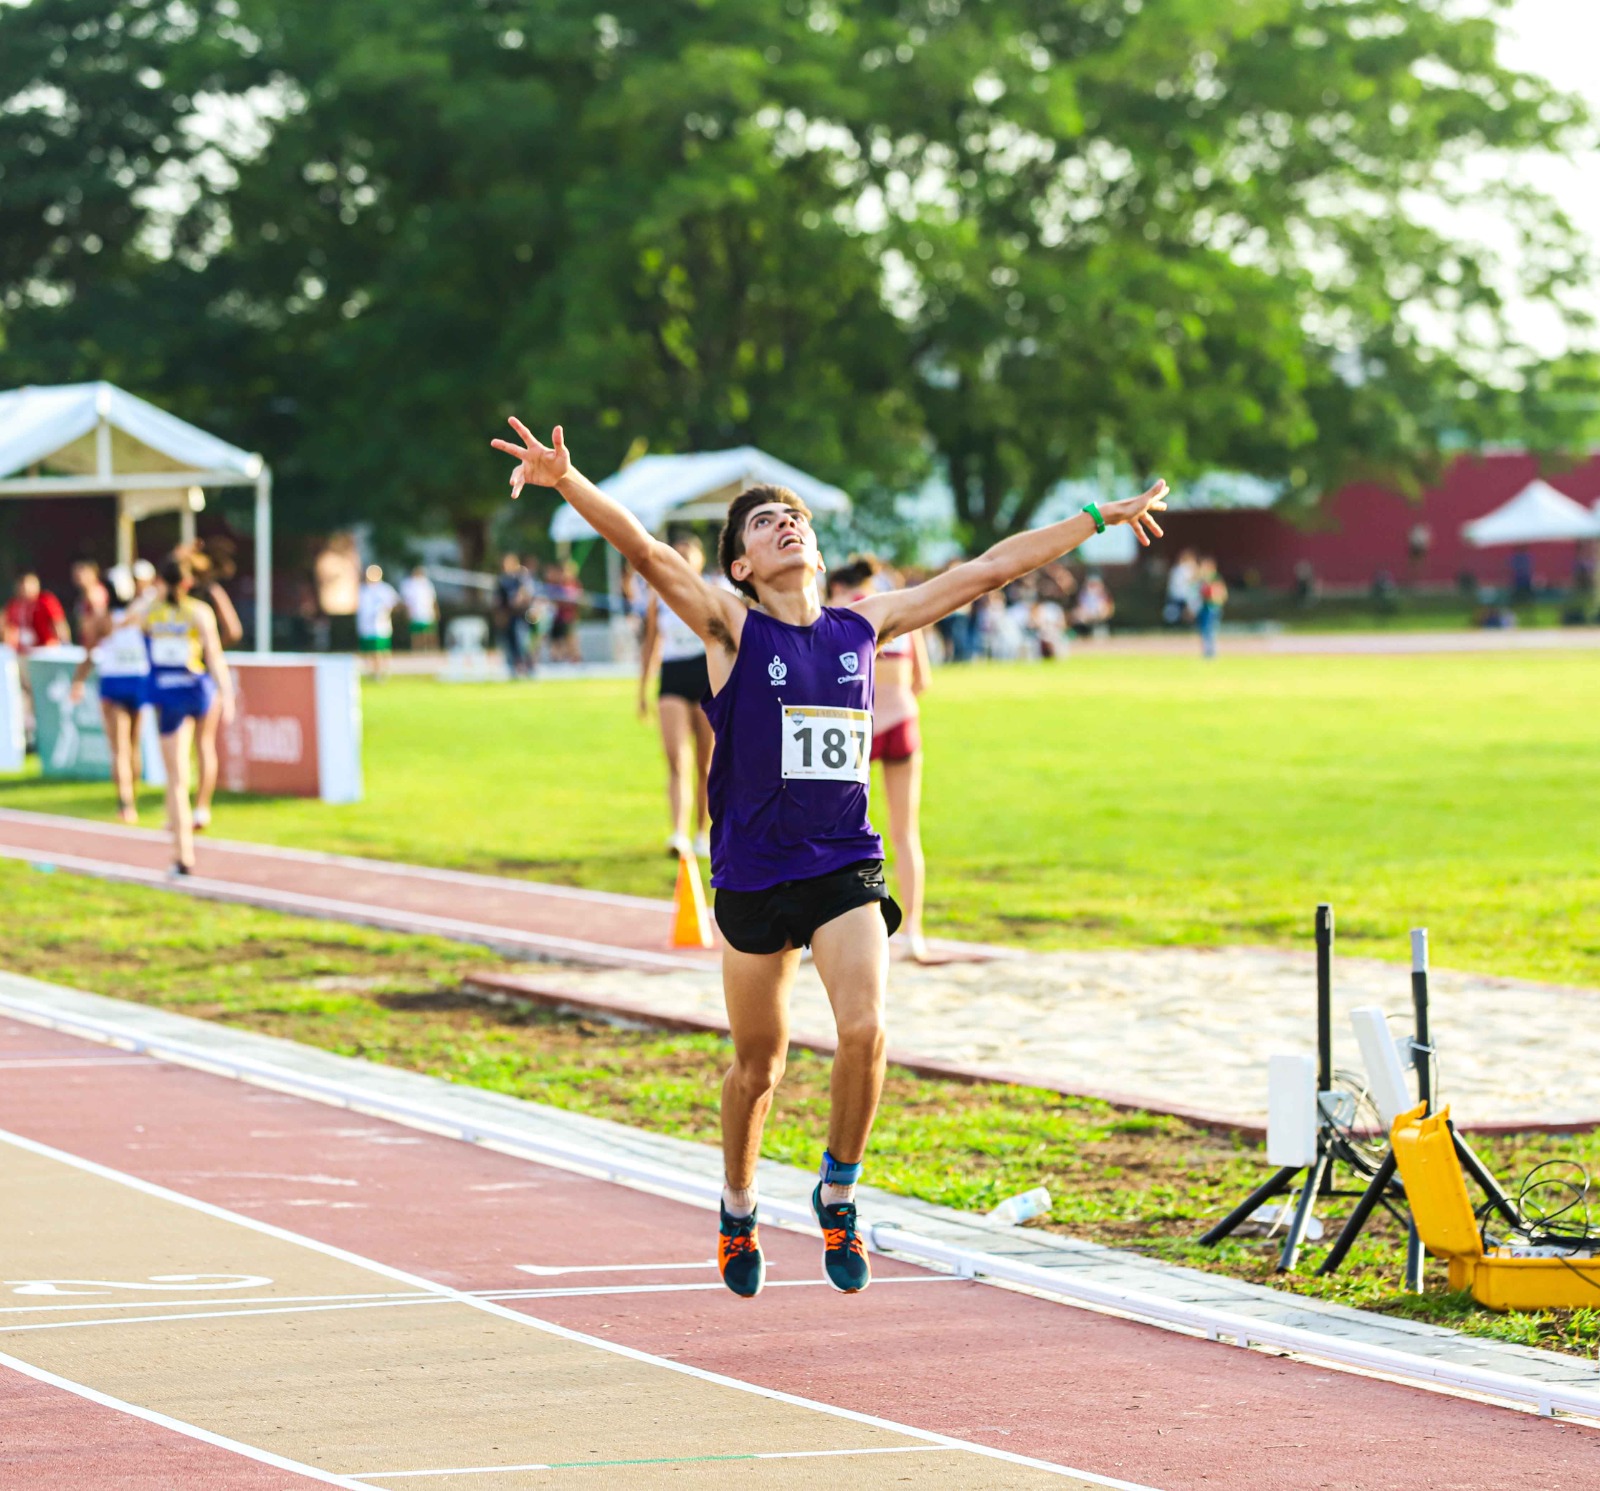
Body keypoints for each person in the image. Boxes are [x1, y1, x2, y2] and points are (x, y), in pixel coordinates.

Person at [491, 416, 1166, 1300]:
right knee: (759, 1066)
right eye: (764, 522)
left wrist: (1097, 516)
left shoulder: (863, 626)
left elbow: (987, 569)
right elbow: (649, 553)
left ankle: (838, 1190)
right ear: (741, 565)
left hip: (843, 864)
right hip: (752, 873)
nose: (786, 523)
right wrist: (568, 481)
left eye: (795, 517)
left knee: (867, 1030)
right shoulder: (730, 629)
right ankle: (738, 1204)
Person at [828, 557, 933, 961]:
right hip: (903, 718)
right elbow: (923, 680)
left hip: (859, 727)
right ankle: (914, 932)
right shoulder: (900, 608)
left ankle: (830, 928)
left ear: (838, 586)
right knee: (906, 832)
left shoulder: (842, 610)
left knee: (838, 830)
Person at [144, 554, 234, 875]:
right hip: (198, 689)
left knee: (176, 778)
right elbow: (215, 655)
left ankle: (183, 853)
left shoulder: (151, 611)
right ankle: (202, 808)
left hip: (169, 693)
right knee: (204, 747)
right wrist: (227, 693)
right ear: (188, 582)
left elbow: (124, 623)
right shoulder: (199, 611)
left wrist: (154, 595)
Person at [638, 534, 714, 859]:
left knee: (706, 764)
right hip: (672, 675)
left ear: (700, 559)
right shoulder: (658, 596)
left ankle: (702, 833)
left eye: (688, 553)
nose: (682, 557)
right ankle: (678, 833)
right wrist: (642, 689)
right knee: (675, 758)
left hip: (705, 675)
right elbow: (651, 643)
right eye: (677, 552)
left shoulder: (712, 591)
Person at [180, 544, 243, 829]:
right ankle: (199, 807)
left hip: (191, 676)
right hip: (200, 675)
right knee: (202, 745)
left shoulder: (200, 595)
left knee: (187, 746)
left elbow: (233, 630)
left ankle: (194, 806)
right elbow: (234, 630)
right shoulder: (188, 595)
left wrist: (209, 647)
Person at [3, 572, 70, 653]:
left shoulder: (46, 601)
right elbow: (7, 626)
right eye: (23, 585)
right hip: (22, 650)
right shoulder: (14, 604)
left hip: (45, 649)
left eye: (29, 584)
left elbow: (58, 623)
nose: (26, 588)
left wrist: (65, 644)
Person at [356, 564, 400, 680]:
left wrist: (385, 612)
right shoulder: (363, 590)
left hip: (380, 626)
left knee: (380, 650)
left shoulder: (384, 589)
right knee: (368, 651)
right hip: (366, 626)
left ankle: (382, 671)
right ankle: (371, 671)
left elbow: (395, 603)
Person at [495, 554, 536, 678]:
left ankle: (528, 667)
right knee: (510, 642)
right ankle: (514, 668)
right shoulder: (502, 580)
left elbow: (527, 593)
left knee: (522, 641)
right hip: (508, 616)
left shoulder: (521, 577)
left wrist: (519, 599)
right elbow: (499, 600)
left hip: (521, 616)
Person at [546, 561, 584, 664]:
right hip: (557, 617)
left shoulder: (573, 584)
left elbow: (577, 599)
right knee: (557, 641)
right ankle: (559, 659)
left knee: (570, 639)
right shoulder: (557, 584)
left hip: (568, 617)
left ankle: (575, 659)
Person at [400, 565, 439, 652]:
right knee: (416, 634)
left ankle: (431, 650)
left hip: (428, 612)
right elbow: (406, 600)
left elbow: (433, 599)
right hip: (416, 613)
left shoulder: (427, 583)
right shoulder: (409, 584)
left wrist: (436, 611)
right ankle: (417, 650)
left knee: (430, 633)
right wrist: (407, 611)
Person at [70, 559, 110, 642]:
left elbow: (100, 620)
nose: (77, 576)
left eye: (81, 572)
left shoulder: (95, 593)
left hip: (96, 643)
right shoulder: (84, 594)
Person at [1197, 558, 1228, 659]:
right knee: (1204, 630)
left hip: (1213, 607)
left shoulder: (1215, 578)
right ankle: (1207, 651)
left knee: (1210, 629)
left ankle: (1211, 651)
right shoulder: (1203, 579)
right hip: (1205, 607)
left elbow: (1220, 593)